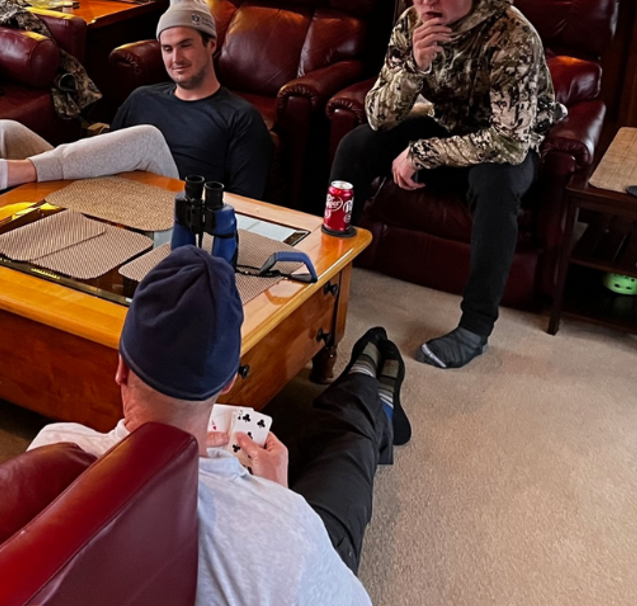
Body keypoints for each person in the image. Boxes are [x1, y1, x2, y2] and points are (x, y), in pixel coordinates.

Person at [29, 246, 410, 606]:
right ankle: (369, 388)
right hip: (289, 540)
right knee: (346, 445)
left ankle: (366, 388)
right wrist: (279, 499)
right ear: (228, 381)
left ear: (121, 367)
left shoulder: (52, 448)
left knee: (315, 440)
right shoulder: (289, 532)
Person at [329, 0, 562, 369]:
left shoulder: (513, 34)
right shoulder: (411, 25)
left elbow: (508, 141)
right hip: (445, 124)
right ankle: (330, 270)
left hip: (504, 144)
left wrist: (422, 154)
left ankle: (475, 327)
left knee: (497, 185)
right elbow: (378, 115)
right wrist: (415, 66)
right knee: (357, 145)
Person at [0, 0, 273, 212]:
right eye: (167, 49)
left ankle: (8, 174)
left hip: (173, 216)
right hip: (107, 199)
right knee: (0, 132)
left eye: (186, 45)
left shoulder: (240, 118)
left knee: (147, 139)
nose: (176, 58)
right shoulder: (143, 98)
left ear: (211, 45)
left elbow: (245, 209)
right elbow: (106, 155)